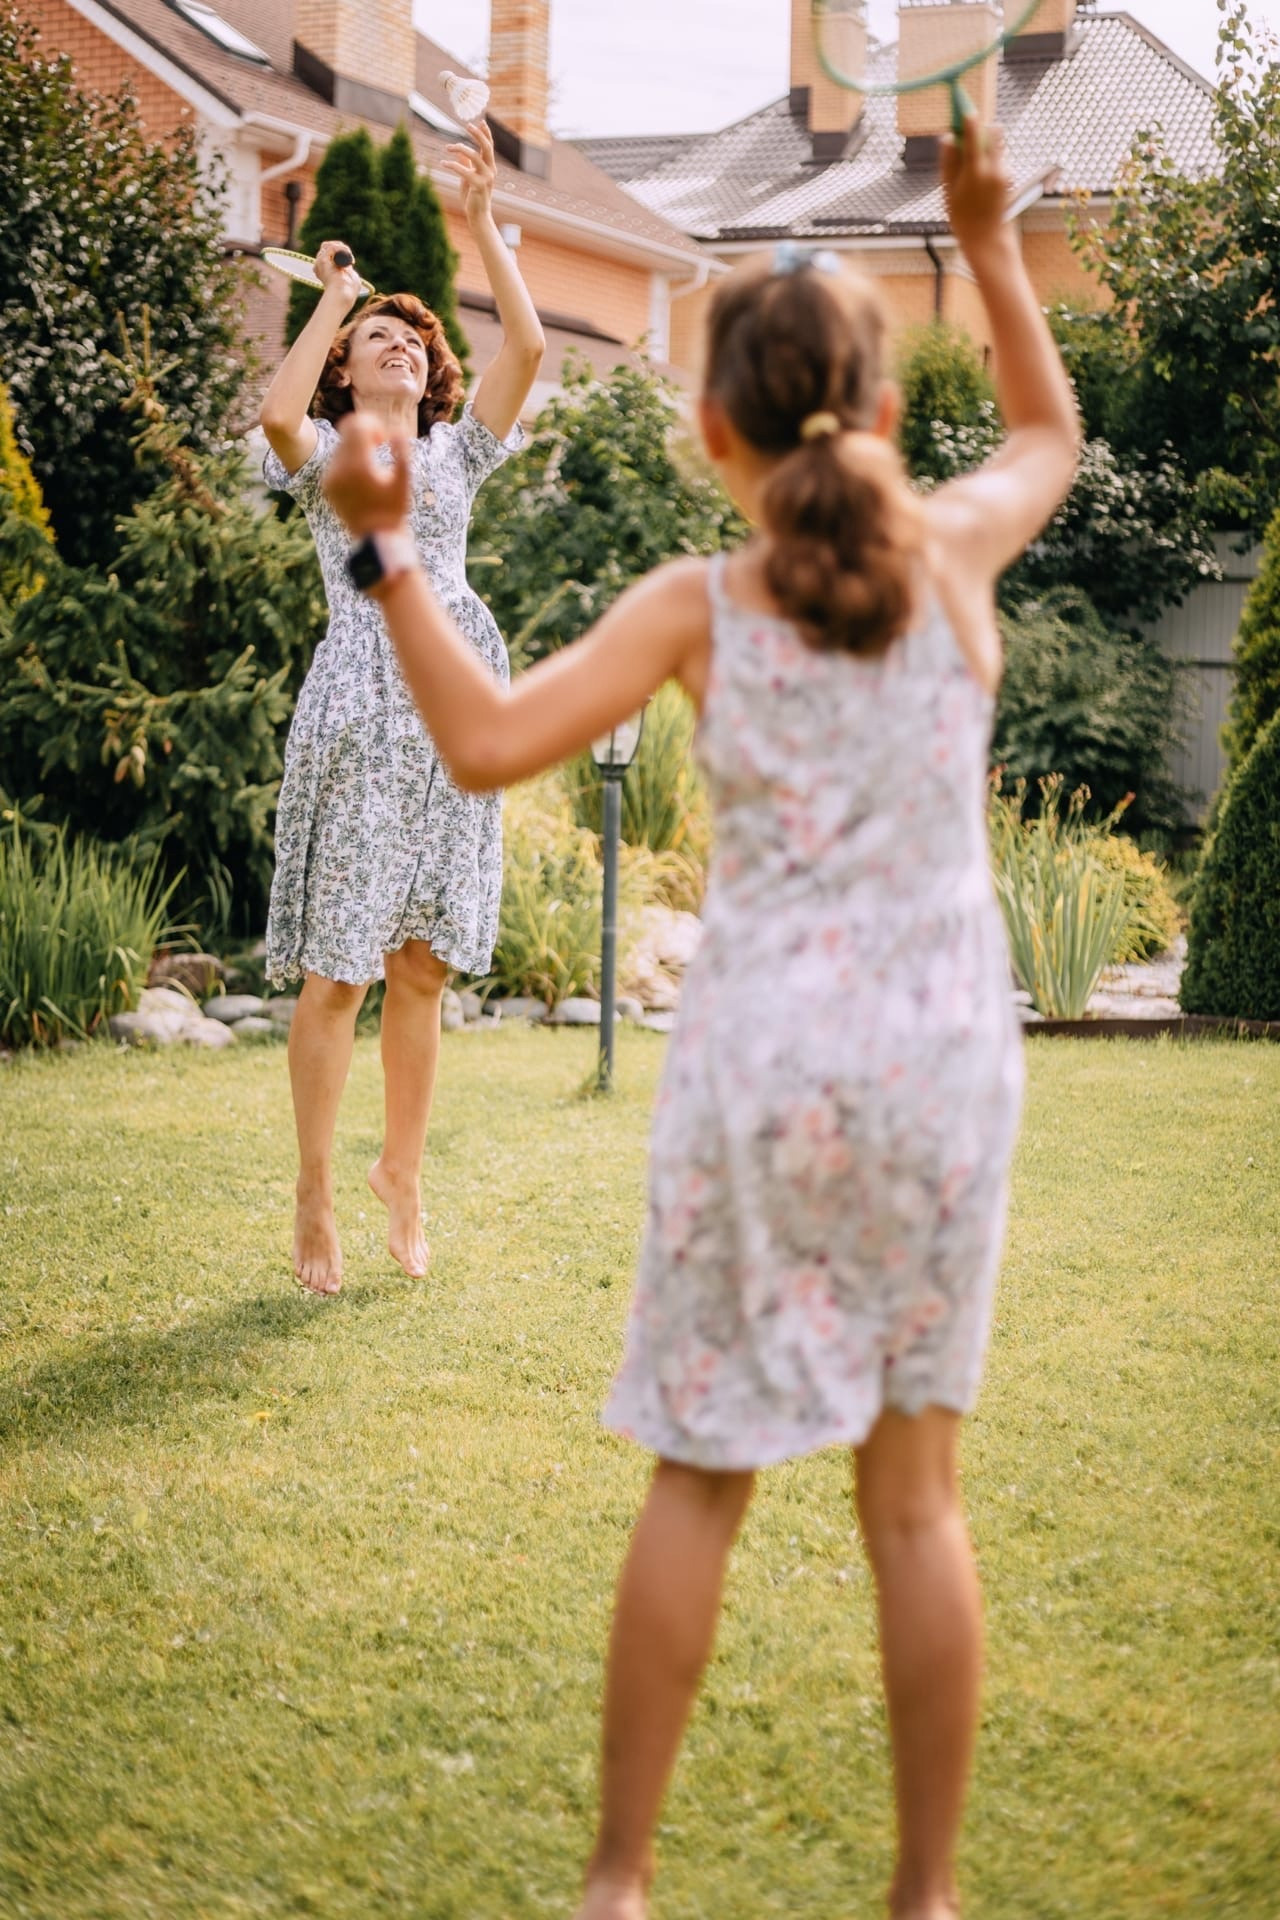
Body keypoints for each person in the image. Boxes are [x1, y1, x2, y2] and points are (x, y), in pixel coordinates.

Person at [322, 121, 1079, 1920]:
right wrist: (984, 240)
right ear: (879, 415)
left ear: (714, 438)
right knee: (917, 1506)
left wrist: (389, 555)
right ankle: (925, 1896)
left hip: (758, 1076)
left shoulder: (697, 606)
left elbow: (486, 744)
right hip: (941, 1075)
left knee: (702, 1482)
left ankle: (618, 1881)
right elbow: (1048, 433)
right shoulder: (954, 557)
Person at [258, 119, 544, 1296]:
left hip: (455, 702)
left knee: (422, 963)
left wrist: (482, 221)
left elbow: (527, 345)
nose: (406, 352)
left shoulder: (455, 459)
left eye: (418, 345)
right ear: (345, 366)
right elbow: (276, 415)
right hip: (361, 706)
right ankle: (313, 1191)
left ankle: (402, 1175)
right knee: (342, 970)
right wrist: (334, 297)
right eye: (383, 340)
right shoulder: (326, 446)